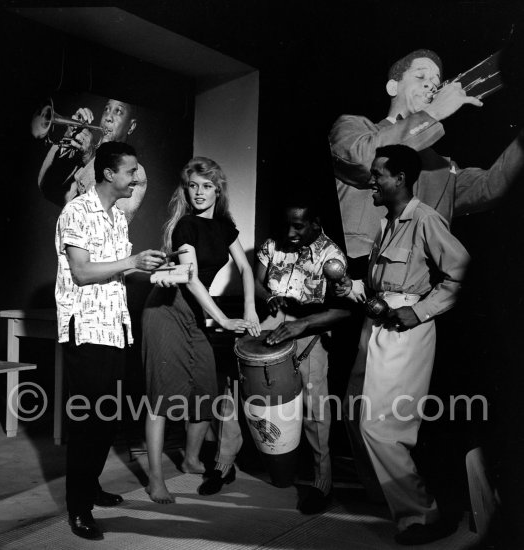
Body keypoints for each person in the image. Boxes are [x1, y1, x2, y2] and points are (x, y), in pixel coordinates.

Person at [345, 144, 470, 545]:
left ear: (399, 178)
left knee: (382, 426)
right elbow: (381, 284)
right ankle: (390, 499)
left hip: (405, 329)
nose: (371, 182)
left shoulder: (425, 219)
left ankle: (424, 514)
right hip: (376, 324)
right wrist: (350, 286)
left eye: (378, 174)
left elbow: (461, 271)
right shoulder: (386, 224)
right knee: (355, 412)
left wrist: (420, 312)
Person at [199, 196, 351, 515]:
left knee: (314, 405)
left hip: (310, 325)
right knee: (235, 387)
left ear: (315, 223)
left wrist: (302, 326)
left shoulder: (331, 254)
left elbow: (342, 311)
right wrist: (267, 297)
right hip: (274, 318)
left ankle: (323, 481)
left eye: (299, 226)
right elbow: (255, 280)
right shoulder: (273, 245)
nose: (291, 233)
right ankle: (224, 463)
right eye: (288, 225)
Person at [329, 48, 524, 282]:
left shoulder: (442, 169)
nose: (431, 86)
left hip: (407, 292)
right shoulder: (354, 128)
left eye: (436, 83)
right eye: (420, 77)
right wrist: (432, 113)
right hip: (349, 278)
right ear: (393, 87)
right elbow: (362, 160)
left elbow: (492, 186)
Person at [55, 141, 166, 540]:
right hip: (86, 327)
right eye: (131, 171)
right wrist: (132, 263)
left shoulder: (117, 217)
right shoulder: (76, 211)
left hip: (115, 328)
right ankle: (78, 508)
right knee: (88, 420)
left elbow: (116, 270)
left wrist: (147, 265)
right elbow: (83, 272)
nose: (137, 178)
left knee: (107, 416)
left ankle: (90, 487)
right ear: (108, 174)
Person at [142, 156, 260, 504]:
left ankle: (192, 459)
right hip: (166, 310)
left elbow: (245, 268)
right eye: (193, 185)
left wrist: (251, 307)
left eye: (206, 186)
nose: (199, 192)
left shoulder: (224, 226)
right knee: (161, 397)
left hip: (195, 313)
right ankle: (155, 479)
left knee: (207, 386)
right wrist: (223, 320)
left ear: (217, 189)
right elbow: (191, 279)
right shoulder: (185, 227)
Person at [40, 98, 147, 223]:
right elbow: (47, 188)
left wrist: (90, 160)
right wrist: (67, 136)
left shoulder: (135, 174)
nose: (108, 117)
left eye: (118, 111)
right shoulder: (88, 156)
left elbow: (106, 220)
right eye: (106, 109)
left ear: (131, 126)